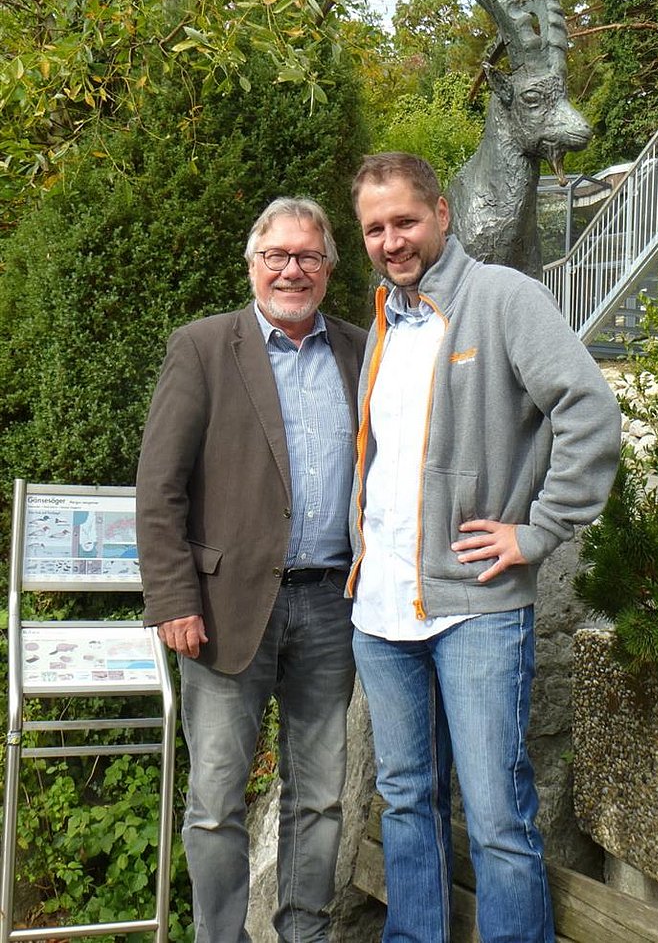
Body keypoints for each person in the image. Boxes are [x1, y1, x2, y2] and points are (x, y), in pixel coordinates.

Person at [346, 153, 622, 943]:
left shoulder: (504, 299)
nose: (392, 240)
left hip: (476, 608)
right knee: (405, 801)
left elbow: (588, 411)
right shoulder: (385, 322)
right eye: (374, 228)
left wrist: (536, 530)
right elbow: (378, 459)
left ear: (441, 213)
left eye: (404, 221)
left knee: (498, 815)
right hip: (383, 612)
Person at [135, 196, 367, 943]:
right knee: (213, 802)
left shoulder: (364, 351)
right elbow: (159, 486)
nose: (292, 270)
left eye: (308, 256)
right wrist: (173, 597)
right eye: (278, 256)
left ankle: (305, 933)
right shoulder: (203, 348)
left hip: (334, 603)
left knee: (321, 798)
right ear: (253, 264)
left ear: (330, 268)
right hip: (222, 607)